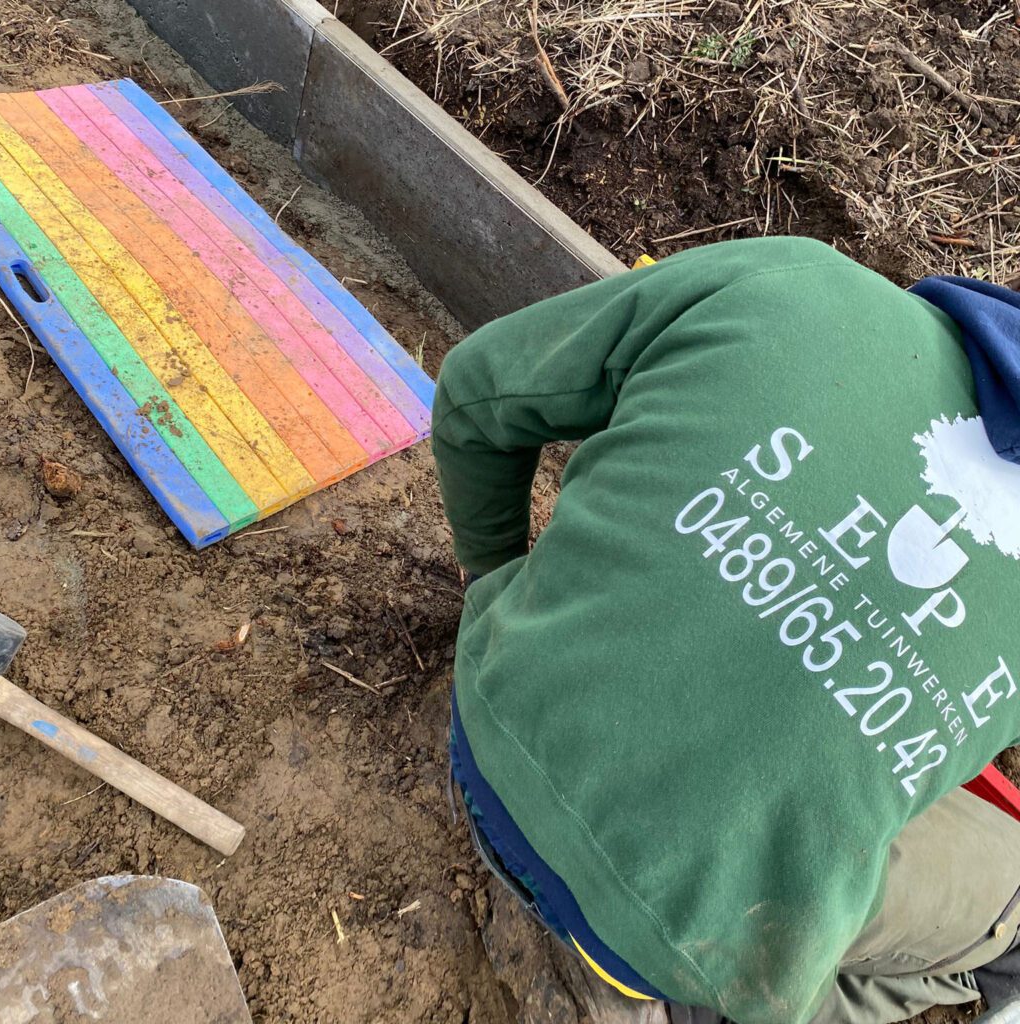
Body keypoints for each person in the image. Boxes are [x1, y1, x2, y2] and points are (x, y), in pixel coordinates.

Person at [430, 236, 1020, 1024]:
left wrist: (491, 578)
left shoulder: (793, 280)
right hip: (658, 949)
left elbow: (475, 390)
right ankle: (726, 1001)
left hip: (485, 733)